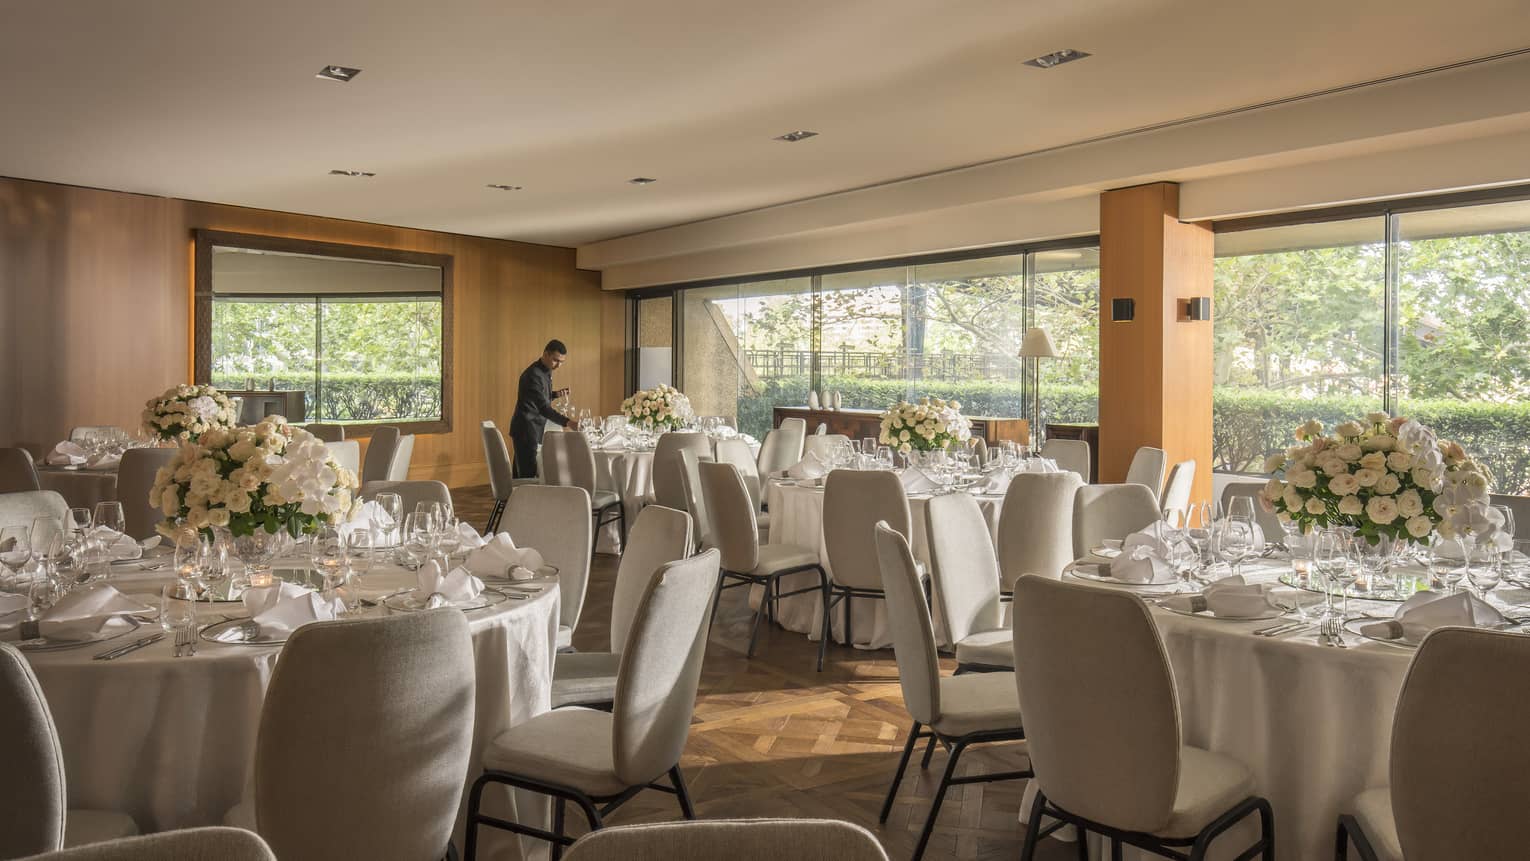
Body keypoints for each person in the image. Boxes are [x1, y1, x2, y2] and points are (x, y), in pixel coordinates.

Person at [509, 340, 573, 478]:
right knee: (528, 477)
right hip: (527, 430)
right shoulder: (533, 375)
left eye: (562, 362)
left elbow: (537, 397)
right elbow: (543, 408)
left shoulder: (544, 370)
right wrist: (569, 422)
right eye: (556, 360)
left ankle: (513, 498)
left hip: (529, 429)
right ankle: (522, 498)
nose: (558, 365)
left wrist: (555, 394)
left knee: (521, 475)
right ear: (545, 354)